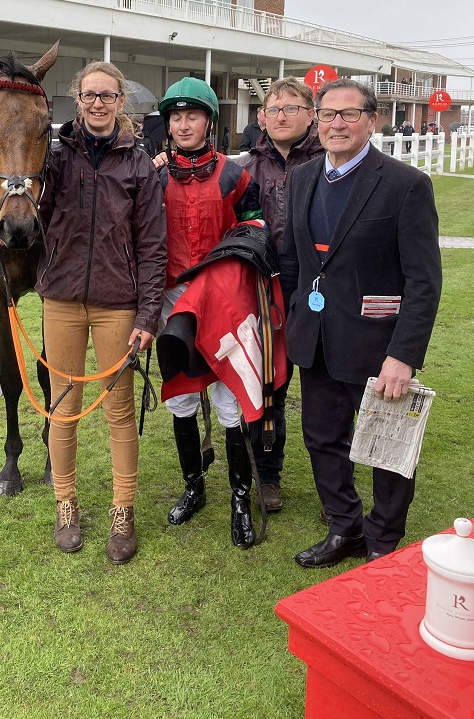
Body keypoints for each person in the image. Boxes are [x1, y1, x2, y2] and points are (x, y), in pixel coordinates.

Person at [2, 60, 166, 563]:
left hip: (119, 303)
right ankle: (66, 504)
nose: (98, 103)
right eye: (90, 95)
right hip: (63, 299)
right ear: (78, 99)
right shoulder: (53, 160)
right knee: (64, 407)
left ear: (120, 103)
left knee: (118, 412)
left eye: (107, 96)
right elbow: (31, 216)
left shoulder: (138, 165)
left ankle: (123, 510)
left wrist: (147, 317)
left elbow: (153, 246)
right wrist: (0, 232)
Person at [280, 78, 441, 568]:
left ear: (371, 120)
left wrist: (404, 356)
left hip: (377, 346)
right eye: (328, 114)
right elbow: (296, 263)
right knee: (323, 438)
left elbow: (424, 282)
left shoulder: (405, 185)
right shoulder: (303, 178)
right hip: (318, 342)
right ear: (316, 120)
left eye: (349, 115)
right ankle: (344, 528)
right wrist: (294, 321)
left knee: (386, 450)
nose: (337, 124)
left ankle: (382, 542)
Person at [153, 78, 264, 549]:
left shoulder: (233, 174)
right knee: (180, 395)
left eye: (192, 116)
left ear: (209, 122)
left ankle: (240, 498)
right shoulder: (152, 176)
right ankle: (194, 487)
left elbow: (257, 225)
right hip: (171, 300)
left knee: (229, 401)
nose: (182, 124)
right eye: (175, 117)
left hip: (221, 304)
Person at [237, 77, 323, 512]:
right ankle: (268, 475)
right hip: (265, 284)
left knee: (325, 386)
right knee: (269, 383)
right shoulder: (246, 168)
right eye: (274, 109)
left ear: (310, 114)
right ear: (262, 117)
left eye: (292, 108)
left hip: (318, 286)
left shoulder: (331, 161)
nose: (282, 116)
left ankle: (333, 483)